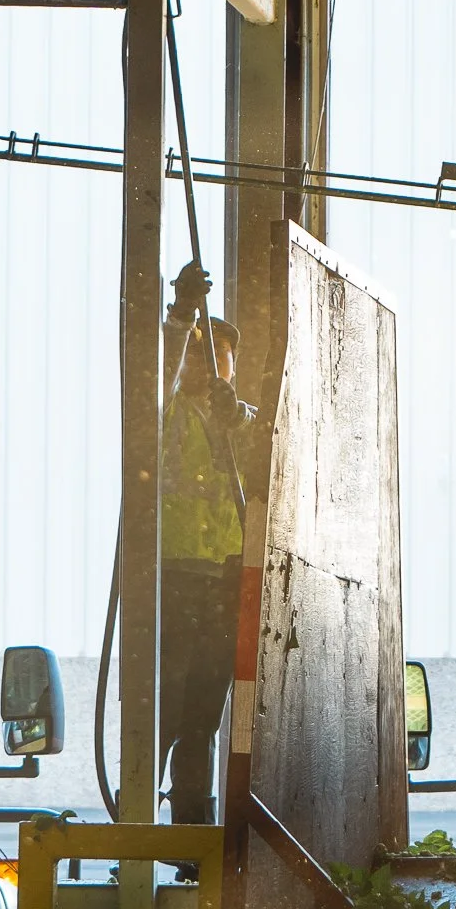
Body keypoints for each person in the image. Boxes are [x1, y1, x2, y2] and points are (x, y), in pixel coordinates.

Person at [159, 260, 255, 842]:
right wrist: (179, 315)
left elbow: (271, 449)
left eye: (222, 356)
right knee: (163, 718)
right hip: (175, 579)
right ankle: (144, 833)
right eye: (201, 352)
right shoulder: (166, 416)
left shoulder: (236, 422)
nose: (211, 364)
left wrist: (237, 416)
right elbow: (154, 377)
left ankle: (193, 837)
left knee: (201, 723)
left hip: (224, 582)